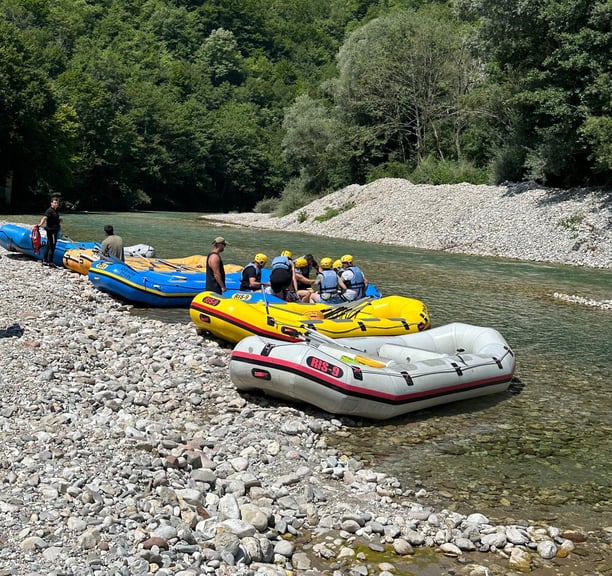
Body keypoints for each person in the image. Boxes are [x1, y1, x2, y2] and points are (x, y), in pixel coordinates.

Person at [38, 196, 62, 267]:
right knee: (52, 246)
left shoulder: (56, 210)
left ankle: (44, 260)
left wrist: (59, 221)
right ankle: (50, 262)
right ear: (51, 203)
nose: (56, 204)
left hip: (55, 229)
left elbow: (55, 218)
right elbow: (45, 218)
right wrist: (40, 224)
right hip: (51, 230)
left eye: (57, 203)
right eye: (55, 203)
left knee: (48, 245)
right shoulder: (49, 210)